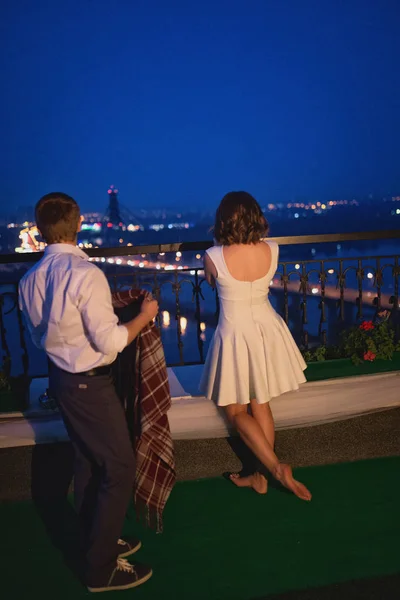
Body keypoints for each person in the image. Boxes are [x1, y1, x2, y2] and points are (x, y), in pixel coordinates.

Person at [19, 192, 158, 593]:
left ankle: (94, 536)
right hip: (89, 383)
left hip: (60, 379)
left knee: (86, 460)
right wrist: (146, 318)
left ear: (41, 229)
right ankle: (100, 569)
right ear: (78, 223)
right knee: (119, 466)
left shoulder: (30, 280)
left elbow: (34, 335)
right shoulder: (86, 275)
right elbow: (112, 340)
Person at [200, 191, 312, 501]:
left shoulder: (213, 256)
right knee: (260, 402)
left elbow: (213, 283)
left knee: (236, 411)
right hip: (267, 327)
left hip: (235, 332)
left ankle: (275, 468)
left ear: (223, 220)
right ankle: (258, 476)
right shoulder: (272, 250)